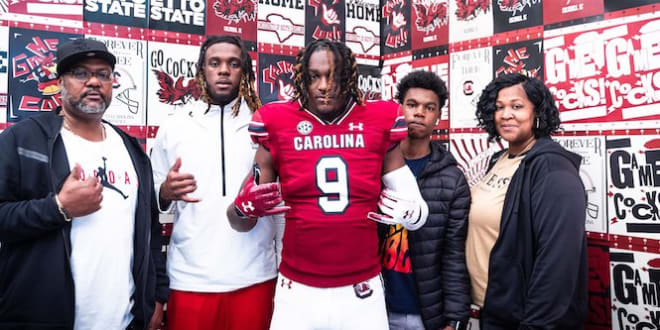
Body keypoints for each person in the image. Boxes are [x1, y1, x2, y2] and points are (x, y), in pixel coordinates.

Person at [227, 39, 429, 330]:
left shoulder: (378, 119)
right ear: (302, 78)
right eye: (315, 76)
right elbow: (239, 222)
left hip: (361, 289)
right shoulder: (277, 122)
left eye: (334, 76)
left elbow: (417, 210)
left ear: (350, 77)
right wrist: (244, 208)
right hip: (297, 291)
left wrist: (411, 214)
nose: (325, 85)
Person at [0, 38, 168, 329]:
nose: (93, 81)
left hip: (123, 319)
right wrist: (59, 207)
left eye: (103, 74)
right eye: (80, 73)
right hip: (42, 317)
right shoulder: (23, 139)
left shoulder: (131, 149)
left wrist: (155, 296)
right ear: (61, 82)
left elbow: (150, 231)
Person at [150, 35, 280, 330]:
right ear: (201, 70)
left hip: (255, 277)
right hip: (190, 279)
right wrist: (165, 192)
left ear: (244, 72)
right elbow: (152, 198)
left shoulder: (265, 124)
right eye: (215, 63)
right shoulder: (175, 125)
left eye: (233, 64)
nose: (224, 70)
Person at [466, 73, 587, 329]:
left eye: (517, 106)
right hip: (492, 310)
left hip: (524, 319)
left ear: (538, 112)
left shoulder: (553, 168)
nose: (506, 114)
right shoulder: (498, 160)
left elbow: (558, 262)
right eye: (499, 107)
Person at [380, 70, 470, 330]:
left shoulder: (452, 180)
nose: (419, 112)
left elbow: (454, 254)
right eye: (411, 105)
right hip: (375, 307)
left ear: (438, 117)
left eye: (429, 108)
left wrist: (453, 319)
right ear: (399, 109)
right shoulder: (375, 168)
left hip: (426, 314)